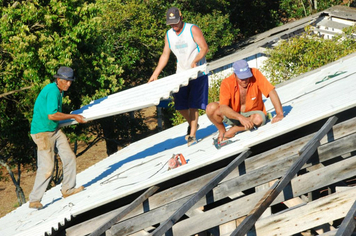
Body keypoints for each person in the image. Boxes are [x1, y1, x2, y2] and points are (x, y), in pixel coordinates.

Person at [148, 7, 209, 146]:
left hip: (197, 72)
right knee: (180, 106)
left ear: (181, 18)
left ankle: (192, 135)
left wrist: (196, 61)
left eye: (176, 22)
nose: (174, 26)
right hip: (181, 74)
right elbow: (165, 54)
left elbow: (204, 47)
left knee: (193, 105)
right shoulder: (169, 35)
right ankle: (193, 124)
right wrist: (155, 73)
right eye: (171, 23)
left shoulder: (192, 29)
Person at [29, 66, 87, 209]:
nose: (68, 84)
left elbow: (54, 116)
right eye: (66, 81)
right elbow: (52, 115)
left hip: (54, 130)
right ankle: (34, 200)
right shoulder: (53, 91)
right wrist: (73, 116)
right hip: (42, 133)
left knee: (69, 157)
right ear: (59, 79)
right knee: (47, 167)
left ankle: (68, 189)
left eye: (70, 81)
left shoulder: (59, 91)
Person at [206, 60, 284, 143]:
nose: (244, 80)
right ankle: (222, 132)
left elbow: (271, 91)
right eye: (241, 78)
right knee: (210, 108)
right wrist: (240, 118)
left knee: (259, 118)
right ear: (235, 75)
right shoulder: (226, 83)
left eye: (246, 77)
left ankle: (235, 129)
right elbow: (223, 107)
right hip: (234, 115)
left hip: (252, 115)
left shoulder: (255, 73)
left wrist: (279, 113)